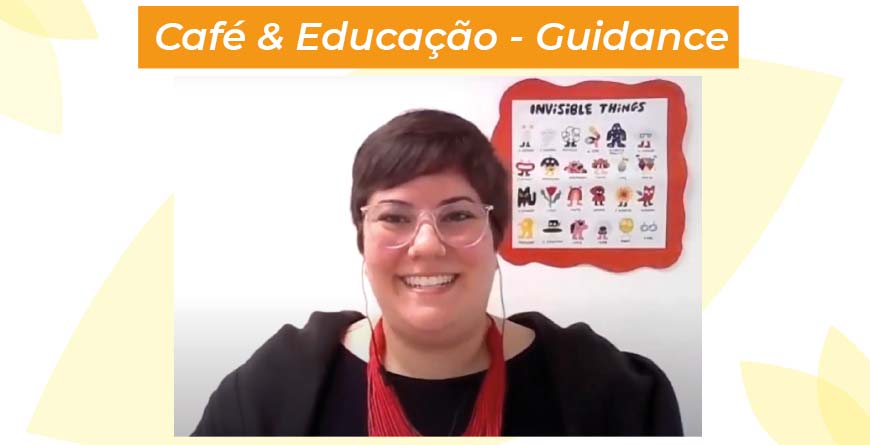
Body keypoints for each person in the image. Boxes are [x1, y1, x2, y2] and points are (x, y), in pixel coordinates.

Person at [191, 109, 683, 436]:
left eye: (458, 214)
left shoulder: (616, 397)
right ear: (362, 239)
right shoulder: (269, 393)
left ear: (495, 235)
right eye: (394, 217)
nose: (426, 245)